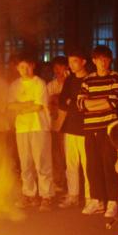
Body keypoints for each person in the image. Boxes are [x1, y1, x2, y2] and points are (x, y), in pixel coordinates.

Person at [81, 46, 118, 217]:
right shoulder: (87, 80)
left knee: (109, 164)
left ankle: (112, 201)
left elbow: (114, 102)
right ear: (94, 61)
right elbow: (81, 104)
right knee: (92, 166)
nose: (102, 62)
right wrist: (103, 102)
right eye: (99, 59)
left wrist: (92, 103)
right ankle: (97, 200)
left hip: (108, 128)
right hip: (90, 128)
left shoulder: (115, 77)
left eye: (106, 59)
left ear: (110, 60)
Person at [8, 54, 54, 211]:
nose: (25, 70)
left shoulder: (39, 83)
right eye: (21, 67)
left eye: (27, 66)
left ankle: (46, 196)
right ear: (17, 68)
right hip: (21, 128)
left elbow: (39, 106)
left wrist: (20, 107)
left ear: (33, 66)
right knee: (25, 163)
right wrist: (26, 105)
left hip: (39, 126)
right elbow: (10, 105)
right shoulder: (14, 86)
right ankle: (29, 194)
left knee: (42, 162)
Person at [59, 50, 90, 208]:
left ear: (83, 62)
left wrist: (74, 102)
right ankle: (73, 195)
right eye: (70, 62)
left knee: (87, 164)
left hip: (86, 127)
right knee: (71, 164)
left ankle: (90, 197)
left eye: (75, 61)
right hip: (70, 126)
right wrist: (73, 103)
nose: (71, 65)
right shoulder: (70, 80)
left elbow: (88, 103)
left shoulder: (90, 79)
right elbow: (62, 101)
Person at [47, 56, 69, 195]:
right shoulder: (51, 85)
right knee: (56, 155)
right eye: (55, 68)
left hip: (69, 125)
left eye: (60, 67)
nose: (57, 70)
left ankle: (70, 184)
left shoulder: (71, 83)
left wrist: (58, 98)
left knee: (68, 156)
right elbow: (48, 103)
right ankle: (59, 181)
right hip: (55, 125)